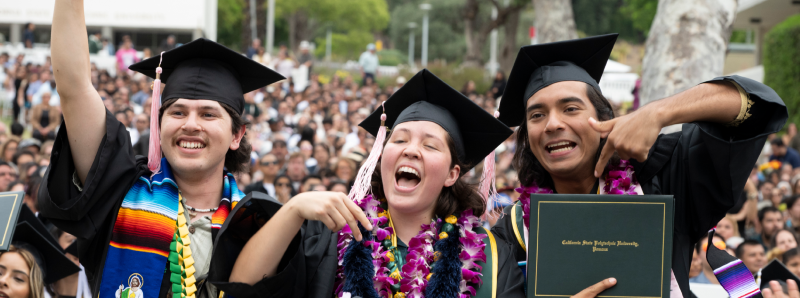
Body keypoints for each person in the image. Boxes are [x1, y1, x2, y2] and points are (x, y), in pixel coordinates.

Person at [492, 33, 787, 297]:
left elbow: (759, 108)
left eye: (570, 108)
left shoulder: (664, 176)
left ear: (605, 118)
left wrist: (659, 112)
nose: (553, 124)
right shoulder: (513, 231)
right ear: (527, 138)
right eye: (536, 115)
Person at [38, 2, 284, 297]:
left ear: (237, 135)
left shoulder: (256, 224)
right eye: (177, 112)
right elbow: (74, 87)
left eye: (208, 114)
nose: (191, 125)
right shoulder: (119, 190)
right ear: (158, 123)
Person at [215, 69, 524, 298]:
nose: (410, 149)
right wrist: (293, 210)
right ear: (381, 155)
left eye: (430, 146)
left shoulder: (492, 255)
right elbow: (243, 286)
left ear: (452, 174)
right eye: (399, 139)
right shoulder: (331, 236)